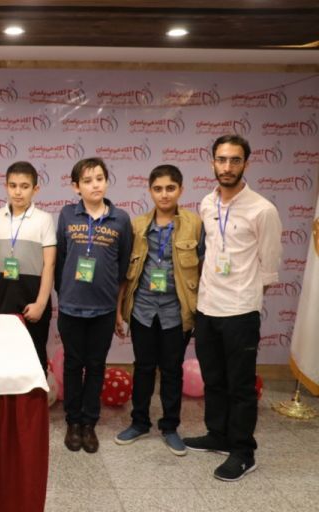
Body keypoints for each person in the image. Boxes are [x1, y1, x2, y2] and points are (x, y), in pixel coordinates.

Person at [183, 134, 282, 482]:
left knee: (240, 385)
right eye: (221, 159)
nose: (227, 167)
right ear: (212, 162)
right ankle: (218, 434)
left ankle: (243, 451)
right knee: (213, 379)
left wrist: (244, 298)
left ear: (246, 164)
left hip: (240, 311)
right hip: (207, 307)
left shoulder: (263, 210)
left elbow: (269, 269)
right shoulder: (207, 203)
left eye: (235, 160)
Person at [114, 164, 203, 456]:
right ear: (150, 191)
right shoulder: (138, 225)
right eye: (158, 189)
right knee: (143, 367)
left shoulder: (194, 224)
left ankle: (170, 427)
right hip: (143, 309)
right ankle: (139, 422)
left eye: (170, 188)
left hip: (176, 311)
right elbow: (126, 273)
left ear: (181, 190)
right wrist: (118, 310)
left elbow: (204, 268)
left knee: (172, 370)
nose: (164, 195)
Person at [55, 157, 132, 454]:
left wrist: (117, 308)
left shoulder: (120, 219)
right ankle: (73, 422)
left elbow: (122, 267)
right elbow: (61, 259)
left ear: (107, 182)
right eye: (87, 181)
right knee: (73, 365)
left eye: (99, 178)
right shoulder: (67, 215)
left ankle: (89, 423)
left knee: (97, 365)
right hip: (71, 307)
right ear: (76, 187)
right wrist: (66, 294)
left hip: (103, 309)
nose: (94, 185)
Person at [0, 161, 56, 369]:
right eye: (13, 185)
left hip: (32, 301)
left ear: (35, 189)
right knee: (2, 357)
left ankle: (37, 393)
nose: (18, 192)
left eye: (24, 186)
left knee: (35, 356)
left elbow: (49, 264)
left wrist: (40, 304)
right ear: (6, 186)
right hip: (2, 300)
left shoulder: (44, 219)